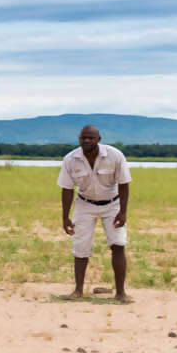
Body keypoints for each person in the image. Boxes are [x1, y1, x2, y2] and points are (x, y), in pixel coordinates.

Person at [59, 124, 130, 302]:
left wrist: (123, 212)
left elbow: (124, 184)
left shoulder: (115, 156)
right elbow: (67, 189)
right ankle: (78, 291)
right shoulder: (70, 159)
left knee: (118, 244)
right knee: (80, 247)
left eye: (91, 138)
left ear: (99, 139)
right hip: (84, 204)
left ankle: (121, 293)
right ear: (79, 139)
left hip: (112, 204)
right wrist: (65, 216)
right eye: (84, 138)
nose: (87, 141)